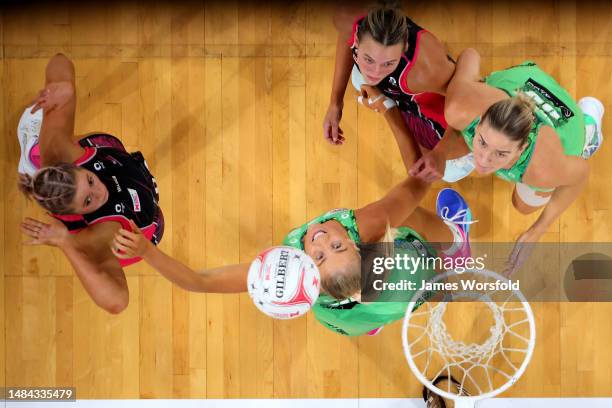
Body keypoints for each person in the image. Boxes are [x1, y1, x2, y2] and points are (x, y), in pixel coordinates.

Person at [108, 99, 475, 336]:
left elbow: (198, 281)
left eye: (321, 253)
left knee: (381, 301)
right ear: (358, 243)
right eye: (335, 246)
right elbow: (414, 186)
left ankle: (380, 311)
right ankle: (454, 243)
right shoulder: (371, 227)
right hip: (400, 289)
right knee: (412, 233)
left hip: (353, 316)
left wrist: (147, 250)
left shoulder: (289, 280)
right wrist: (394, 114)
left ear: (312, 281)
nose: (318, 241)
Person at [410, 48, 605, 274]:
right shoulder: (459, 108)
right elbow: (471, 55)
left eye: (501, 153)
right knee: (451, 159)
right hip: (527, 79)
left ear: (522, 148)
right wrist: (440, 152)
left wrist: (537, 231)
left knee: (522, 206)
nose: (484, 160)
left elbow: (580, 174)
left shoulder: (541, 169)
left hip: (566, 121)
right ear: (480, 120)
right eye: (481, 142)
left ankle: (589, 129)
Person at [18, 54, 164, 314]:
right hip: (146, 223)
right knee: (152, 228)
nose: (99, 192)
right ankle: (32, 159)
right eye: (87, 201)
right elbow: (117, 301)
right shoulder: (100, 235)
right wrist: (66, 243)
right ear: (74, 215)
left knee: (77, 141)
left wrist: (63, 86)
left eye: (89, 181)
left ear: (75, 168)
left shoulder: (61, 152)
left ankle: (35, 153)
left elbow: (60, 60)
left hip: (120, 168)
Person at [322, 1, 475, 181]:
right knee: (358, 78)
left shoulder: (427, 71)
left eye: (388, 63)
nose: (375, 73)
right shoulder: (347, 18)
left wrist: (387, 108)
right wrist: (335, 103)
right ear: (357, 40)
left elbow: (472, 115)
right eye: (368, 59)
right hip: (405, 96)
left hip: (442, 116)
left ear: (404, 49)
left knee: (448, 173)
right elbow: (346, 37)